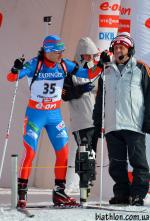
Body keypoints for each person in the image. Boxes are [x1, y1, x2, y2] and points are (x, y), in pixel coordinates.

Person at [7, 35, 103, 208]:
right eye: (58, 51)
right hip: (36, 114)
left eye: (62, 51)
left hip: (54, 115)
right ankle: (22, 193)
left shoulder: (64, 64)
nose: (61, 54)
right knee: (29, 152)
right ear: (48, 51)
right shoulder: (34, 64)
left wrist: (101, 65)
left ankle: (59, 193)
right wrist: (15, 69)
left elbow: (89, 74)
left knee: (63, 153)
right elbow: (12, 78)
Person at [93, 32, 150, 206]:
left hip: (134, 124)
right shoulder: (106, 71)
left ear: (129, 49)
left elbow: (149, 95)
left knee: (138, 163)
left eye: (122, 47)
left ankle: (139, 195)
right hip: (112, 125)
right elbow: (100, 100)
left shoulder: (141, 68)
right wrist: (98, 122)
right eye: (116, 47)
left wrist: (148, 120)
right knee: (116, 164)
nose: (118, 50)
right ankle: (122, 194)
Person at [62, 37, 110, 199]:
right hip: (80, 120)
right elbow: (65, 95)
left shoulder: (98, 69)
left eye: (93, 56)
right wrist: (80, 89)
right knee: (84, 151)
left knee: (92, 153)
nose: (92, 58)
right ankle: (82, 184)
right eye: (88, 55)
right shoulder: (71, 70)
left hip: (96, 119)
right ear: (81, 55)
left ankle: (88, 184)